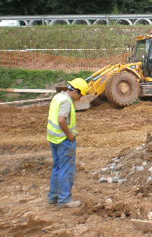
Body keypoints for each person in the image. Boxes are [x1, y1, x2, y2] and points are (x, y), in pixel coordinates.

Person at [46, 78, 88, 208]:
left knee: (57, 168)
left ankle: (54, 197)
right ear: (75, 91)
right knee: (66, 169)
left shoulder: (58, 97)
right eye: (80, 95)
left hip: (54, 138)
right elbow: (61, 120)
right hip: (64, 140)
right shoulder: (66, 102)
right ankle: (64, 199)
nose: (80, 98)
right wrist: (69, 135)